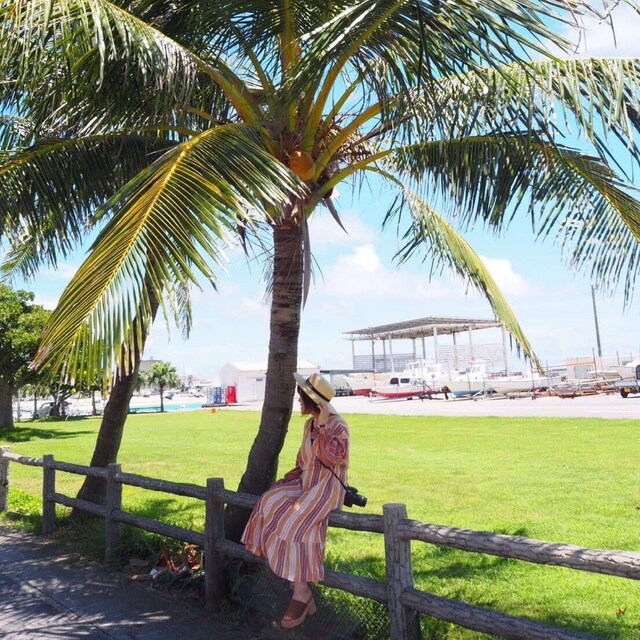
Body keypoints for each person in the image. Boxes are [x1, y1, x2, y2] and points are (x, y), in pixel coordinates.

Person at [241, 372, 349, 629]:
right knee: (269, 501)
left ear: (314, 402)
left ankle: (302, 592)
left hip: (326, 487)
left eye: (301, 397)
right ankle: (293, 573)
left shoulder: (338, 425)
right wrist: (286, 482)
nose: (298, 400)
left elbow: (333, 457)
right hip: (306, 482)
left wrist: (323, 426)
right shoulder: (308, 424)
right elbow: (303, 460)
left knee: (294, 522)